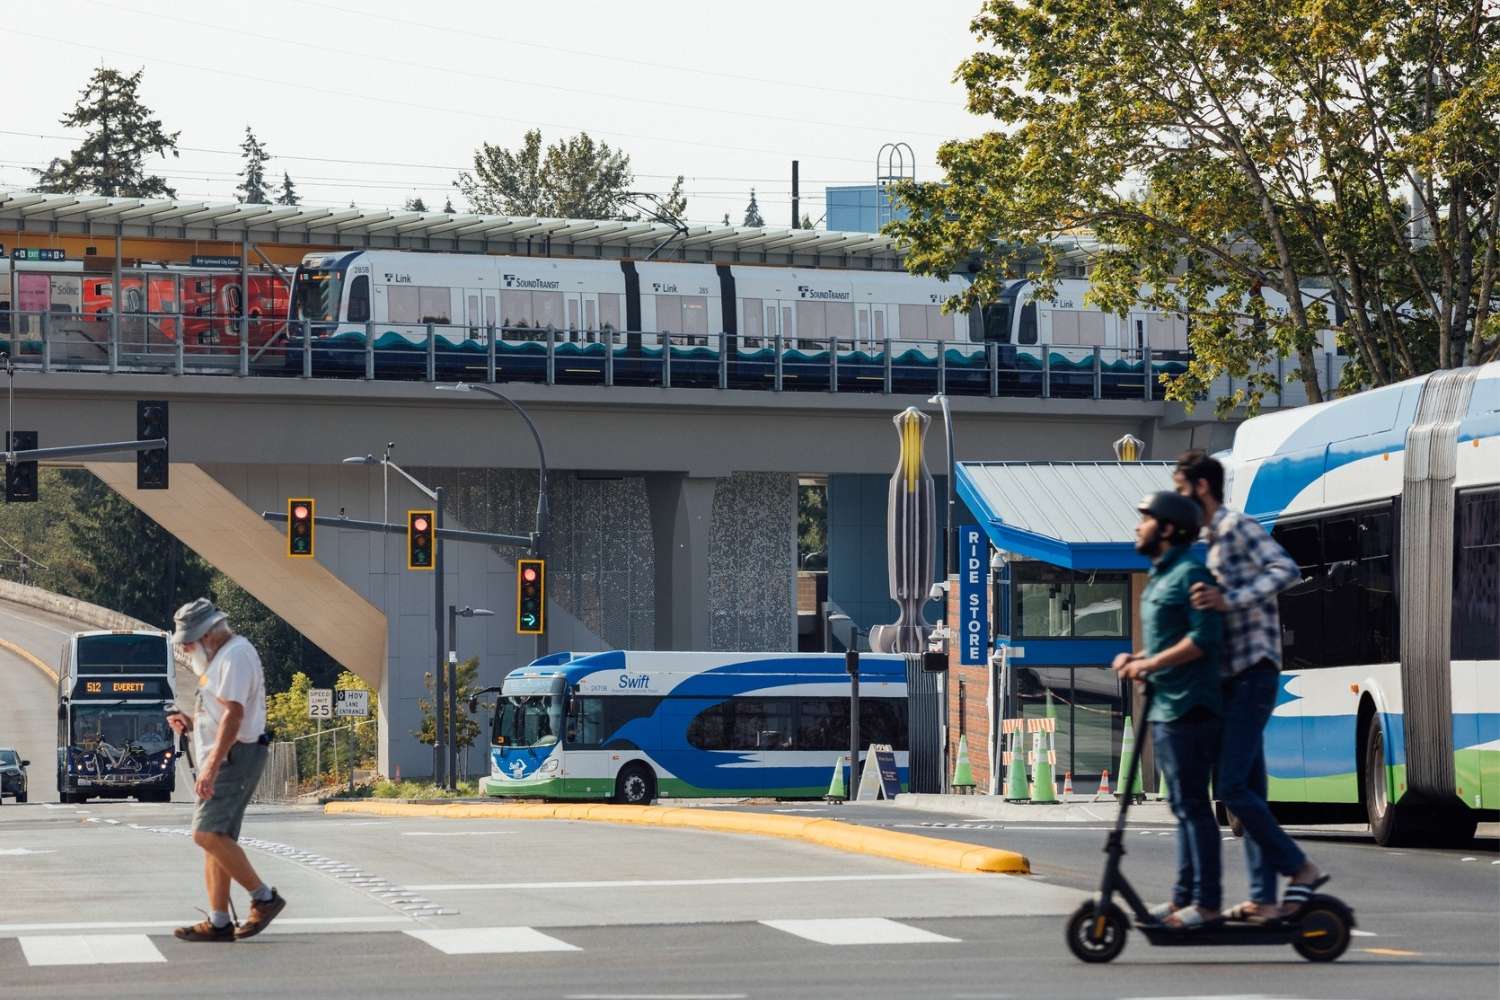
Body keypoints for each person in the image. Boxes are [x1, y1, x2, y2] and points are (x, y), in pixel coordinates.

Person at [1174, 450, 1326, 921]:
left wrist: (1229, 598)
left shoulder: (1236, 527)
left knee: (1234, 788)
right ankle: (1264, 897)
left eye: (1180, 489)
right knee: (1250, 795)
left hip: (1254, 673)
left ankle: (1300, 868)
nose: (1178, 500)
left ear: (1201, 487)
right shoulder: (1210, 541)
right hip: (1234, 676)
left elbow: (1286, 570)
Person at [1112, 491, 1224, 929]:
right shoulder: (1160, 577)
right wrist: (1134, 657)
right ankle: (1182, 900)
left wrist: (1150, 664)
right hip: (1165, 709)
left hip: (1191, 708)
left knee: (1195, 806)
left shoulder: (1191, 574)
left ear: (1169, 528)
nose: (1138, 527)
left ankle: (1208, 904)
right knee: (1181, 806)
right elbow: (1163, 642)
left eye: (1145, 520)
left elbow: (1203, 640)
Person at [165, 598, 287, 941]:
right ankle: (219, 921)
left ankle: (264, 898)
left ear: (208, 635)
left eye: (188, 642)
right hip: (226, 755)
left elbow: (235, 716)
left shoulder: (235, 656)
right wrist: (191, 724)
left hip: (235, 756)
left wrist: (211, 767)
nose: (186, 649)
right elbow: (222, 714)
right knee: (216, 839)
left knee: (205, 834)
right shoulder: (221, 659)